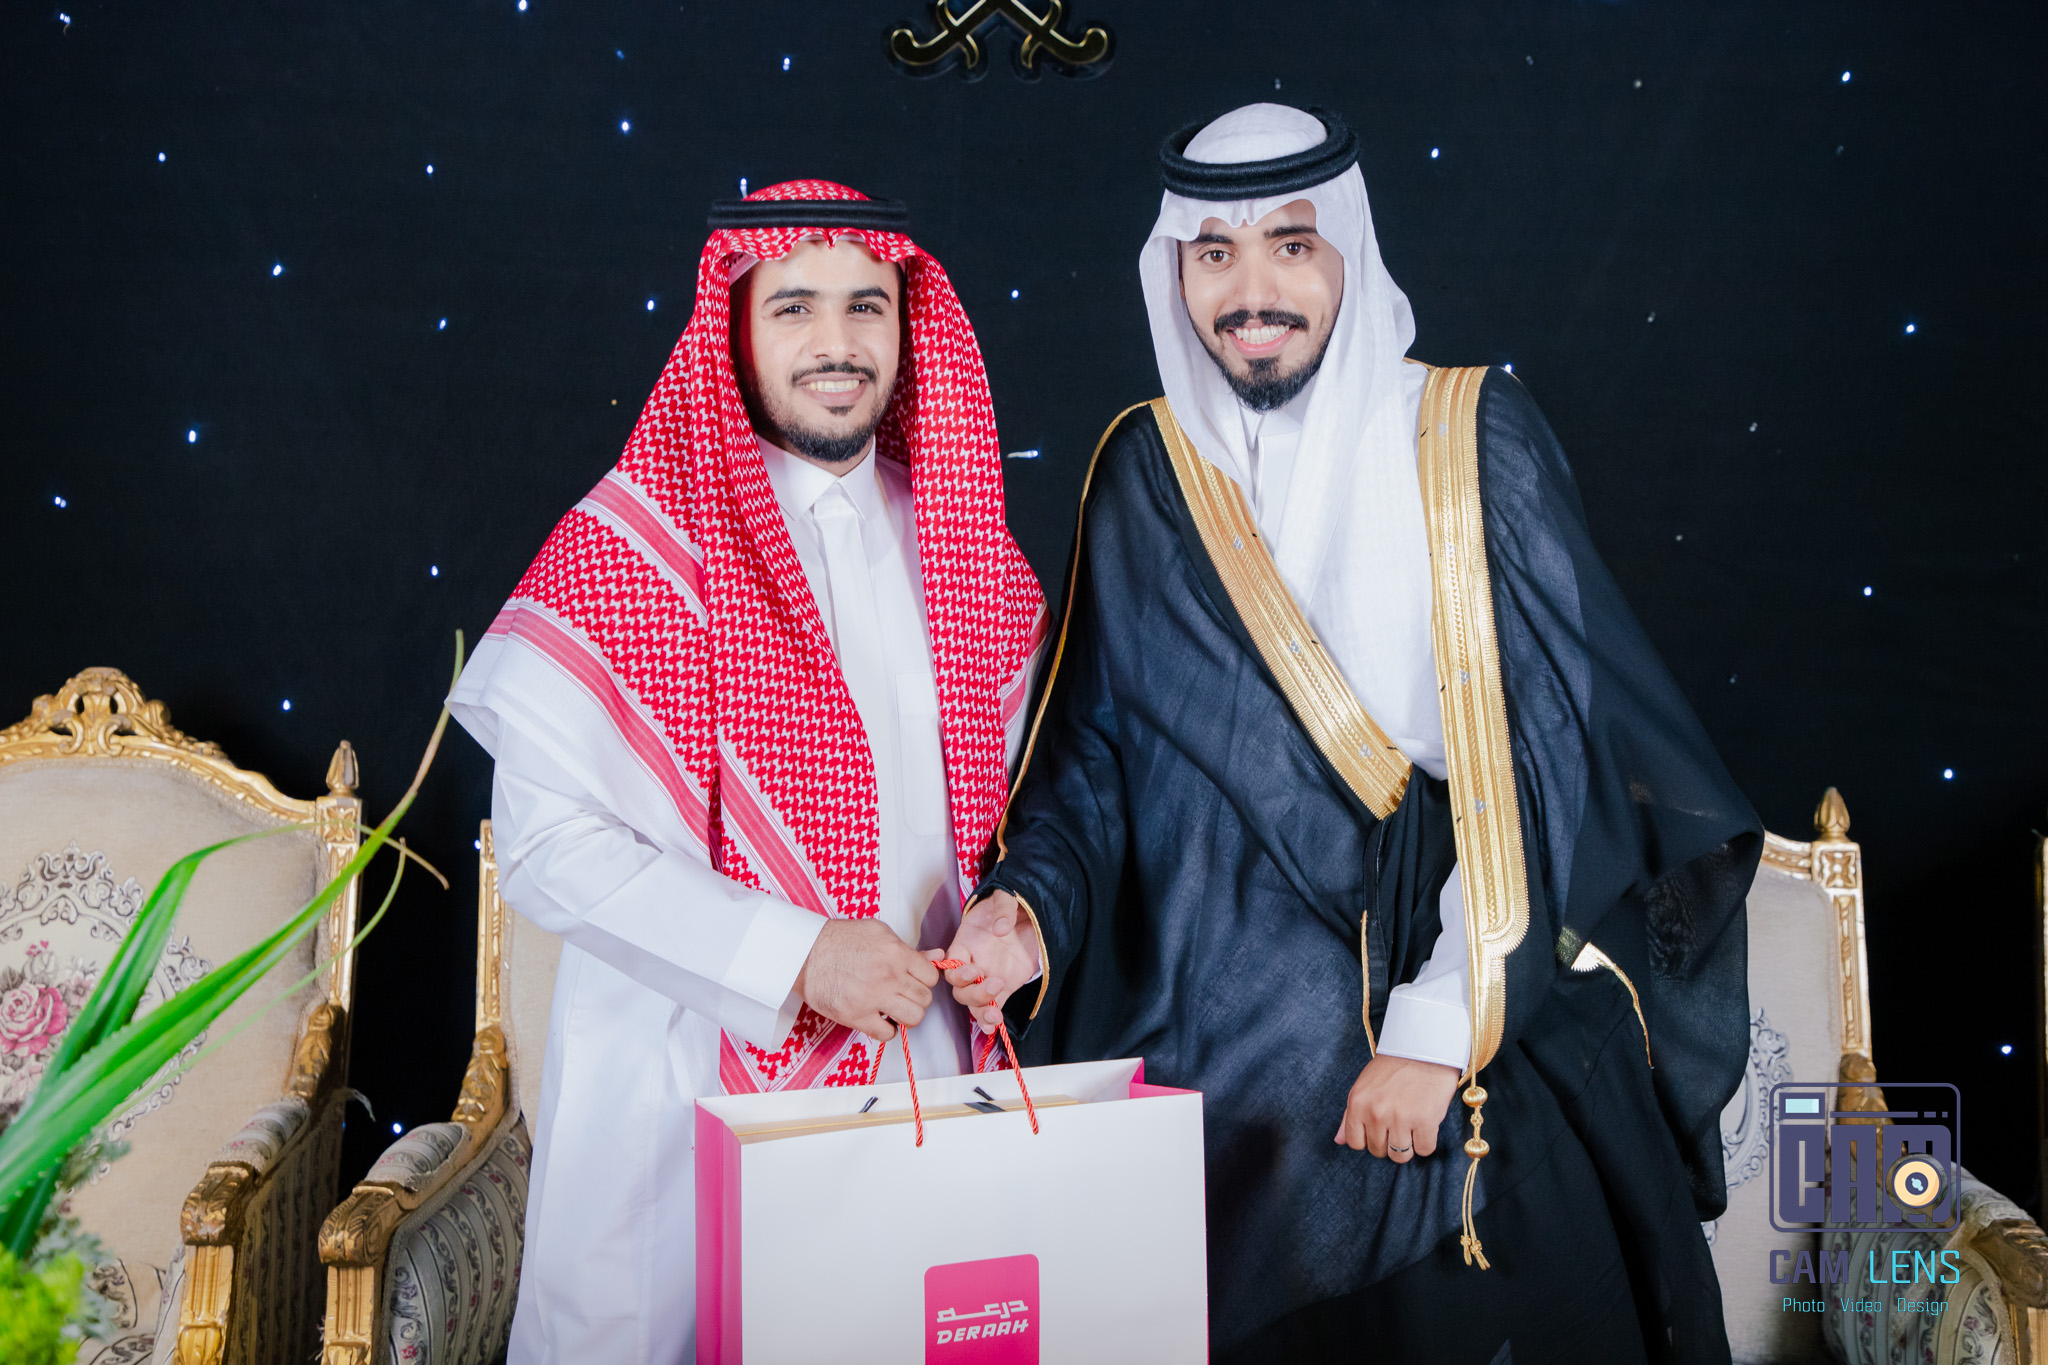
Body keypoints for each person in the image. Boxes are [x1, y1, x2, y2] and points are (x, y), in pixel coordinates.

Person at [942, 104, 1760, 1363]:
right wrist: (1029, 908)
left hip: (1451, 968)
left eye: (1289, 245)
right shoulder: (1143, 468)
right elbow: (1091, 759)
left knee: (1520, 1222)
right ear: (1174, 272)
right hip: (1200, 1004)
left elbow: (1539, 767)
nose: (1249, 292)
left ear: (1348, 254)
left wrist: (1437, 1034)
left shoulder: (1468, 435)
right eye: (1213, 254)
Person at [449, 180, 1044, 1362]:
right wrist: (799, 956)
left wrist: (1017, 915)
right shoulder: (631, 548)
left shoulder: (962, 543)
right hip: (681, 1089)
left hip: (920, 1071)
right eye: (794, 307)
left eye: (865, 306)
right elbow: (550, 853)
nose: (836, 342)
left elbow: (1019, 808)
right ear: (733, 326)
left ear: (904, 328)